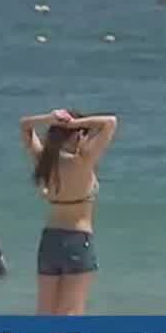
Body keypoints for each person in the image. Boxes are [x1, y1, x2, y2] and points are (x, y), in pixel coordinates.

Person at [20, 107, 118, 315]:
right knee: (71, 312)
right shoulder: (82, 162)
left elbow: (25, 126)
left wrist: (49, 118)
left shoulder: (44, 162)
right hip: (77, 238)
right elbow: (110, 122)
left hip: (50, 239)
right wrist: (74, 123)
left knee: (45, 312)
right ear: (77, 135)